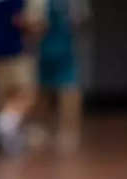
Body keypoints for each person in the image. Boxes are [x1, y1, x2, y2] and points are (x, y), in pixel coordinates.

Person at [0, 0, 45, 154]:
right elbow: (24, 22)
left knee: (4, 97)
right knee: (27, 93)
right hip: (15, 52)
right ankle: (5, 121)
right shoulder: (15, 2)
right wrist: (35, 26)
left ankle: (8, 139)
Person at [36, 0, 89, 152]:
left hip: (66, 47)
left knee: (69, 88)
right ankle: (43, 129)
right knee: (44, 89)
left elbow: (80, 20)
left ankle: (69, 130)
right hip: (45, 47)